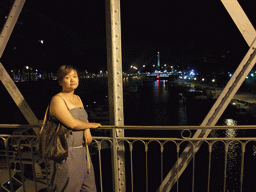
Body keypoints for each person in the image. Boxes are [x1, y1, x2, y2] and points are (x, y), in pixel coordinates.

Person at [49, 65, 101, 192]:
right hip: (67, 153)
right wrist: (92, 125)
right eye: (67, 77)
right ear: (60, 81)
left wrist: (87, 131)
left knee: (89, 188)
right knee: (68, 188)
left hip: (83, 151)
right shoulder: (57, 99)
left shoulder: (78, 98)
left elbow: (83, 119)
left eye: (75, 76)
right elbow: (72, 123)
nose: (72, 80)